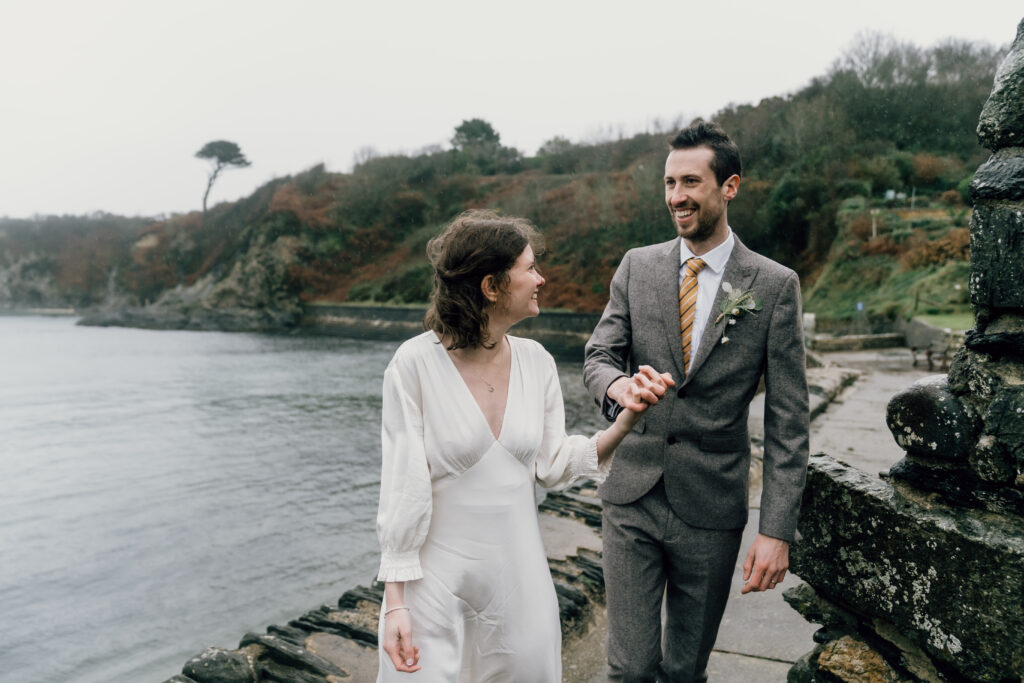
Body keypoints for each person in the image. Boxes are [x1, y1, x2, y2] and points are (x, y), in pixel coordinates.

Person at [375, 209, 673, 681]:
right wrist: (395, 605)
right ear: (491, 286)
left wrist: (628, 417)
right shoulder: (413, 364)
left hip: (520, 585)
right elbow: (402, 489)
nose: (542, 278)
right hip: (432, 588)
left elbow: (555, 465)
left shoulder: (537, 362)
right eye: (529, 268)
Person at [583, 120, 810, 682]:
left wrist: (776, 529)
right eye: (668, 183)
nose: (676, 197)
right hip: (631, 495)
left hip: (712, 506)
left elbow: (789, 421)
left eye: (690, 182)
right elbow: (597, 357)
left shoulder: (774, 285)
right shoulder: (637, 266)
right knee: (630, 668)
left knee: (685, 671)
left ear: (729, 187)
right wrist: (620, 389)